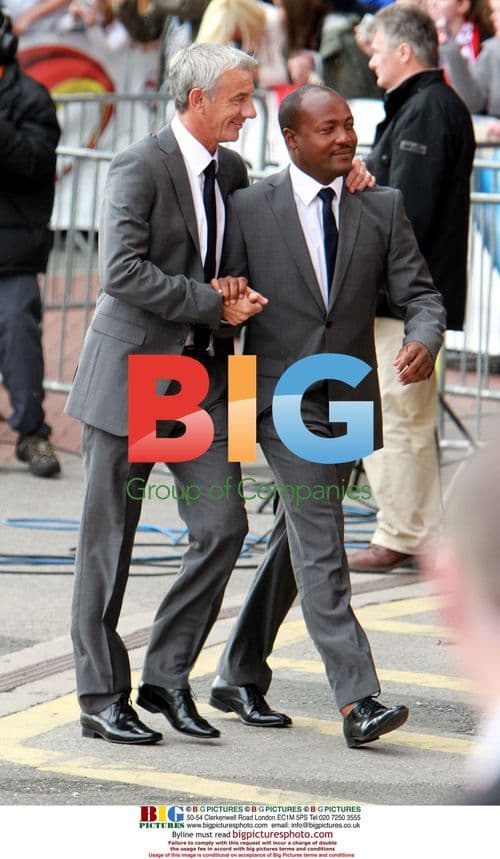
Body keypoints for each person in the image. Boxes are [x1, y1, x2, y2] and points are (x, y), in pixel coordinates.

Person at [65, 41, 374, 746]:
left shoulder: (232, 168)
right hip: (136, 376)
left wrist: (342, 173)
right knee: (107, 543)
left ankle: (167, 678)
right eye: (239, 96)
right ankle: (99, 693)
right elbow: (122, 272)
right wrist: (210, 300)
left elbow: (268, 223)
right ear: (198, 99)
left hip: (206, 380)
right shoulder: (138, 164)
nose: (250, 106)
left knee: (223, 528)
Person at [209, 83, 446, 749]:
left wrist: (421, 337)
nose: (345, 138)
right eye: (329, 129)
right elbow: (224, 301)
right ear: (292, 140)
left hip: (346, 396)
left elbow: (420, 292)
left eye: (350, 126)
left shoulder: (380, 204)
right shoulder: (249, 208)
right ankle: (358, 698)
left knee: (300, 538)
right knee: (323, 539)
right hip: (278, 395)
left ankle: (238, 672)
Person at [347, 4, 475, 573]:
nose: (370, 60)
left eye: (376, 49)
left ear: (404, 51)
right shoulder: (431, 106)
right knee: (409, 419)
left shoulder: (425, 110)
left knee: (394, 416)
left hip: (404, 300)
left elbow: (409, 214)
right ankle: (417, 534)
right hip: (418, 298)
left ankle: (399, 532)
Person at [0, 8, 61, 478]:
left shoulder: (31, 98)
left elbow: (33, 163)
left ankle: (32, 434)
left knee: (19, 335)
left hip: (12, 250)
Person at [423, 446, 500, 804]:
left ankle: (354, 693)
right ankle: (240, 667)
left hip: (329, 402)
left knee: (316, 528)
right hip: (238, 400)